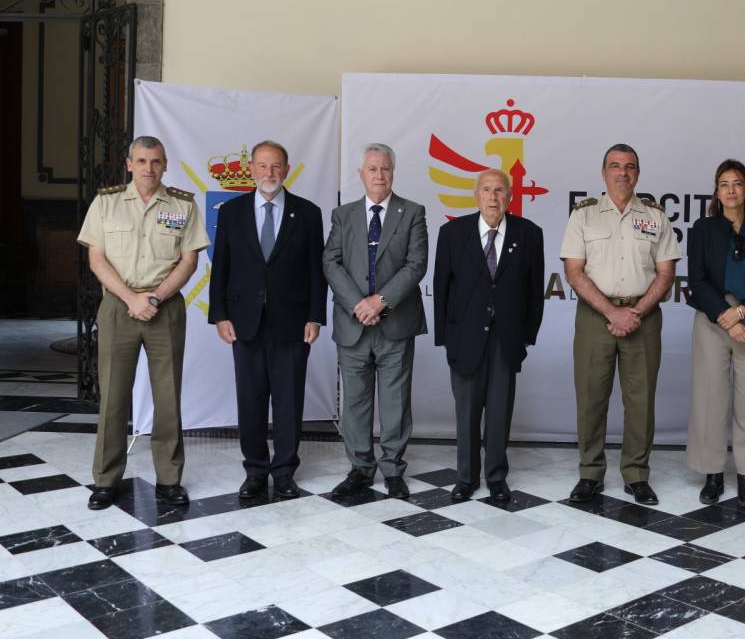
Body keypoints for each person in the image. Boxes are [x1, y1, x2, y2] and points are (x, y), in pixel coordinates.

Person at [77, 136, 207, 509]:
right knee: (114, 396)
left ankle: (169, 479)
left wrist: (154, 298)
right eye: (142, 160)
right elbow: (97, 260)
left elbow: (189, 261)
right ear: (128, 164)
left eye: (156, 161)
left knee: (167, 397)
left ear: (165, 165)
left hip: (164, 308)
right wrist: (132, 298)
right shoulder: (106, 202)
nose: (149, 168)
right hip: (119, 307)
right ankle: (105, 479)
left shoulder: (183, 205)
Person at [560, 143, 681, 505]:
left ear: (638, 174)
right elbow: (574, 272)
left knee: (640, 400)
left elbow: (666, 273)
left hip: (642, 317)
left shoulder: (656, 216)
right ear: (604, 172)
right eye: (615, 165)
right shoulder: (584, 215)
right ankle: (590, 473)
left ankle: (637, 474)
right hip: (596, 317)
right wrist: (612, 313)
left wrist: (636, 313)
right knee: (591, 397)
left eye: (630, 166)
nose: (623, 172)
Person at [209, 140, 326, 500]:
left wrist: (315, 316)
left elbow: (315, 271)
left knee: (289, 402)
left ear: (287, 170)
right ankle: (256, 471)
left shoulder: (308, 212)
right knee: (251, 399)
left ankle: (286, 472)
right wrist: (219, 315)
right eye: (262, 166)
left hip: (292, 323)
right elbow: (221, 268)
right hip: (244, 322)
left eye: (276, 166)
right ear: (252, 170)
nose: (269, 173)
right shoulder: (231, 211)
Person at [433, 169, 545, 502]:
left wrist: (528, 335)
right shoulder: (452, 233)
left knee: (499, 411)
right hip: (465, 338)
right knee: (466, 411)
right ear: (476, 195)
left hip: (506, 338)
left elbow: (534, 290)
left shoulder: (529, 234)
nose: (493, 197)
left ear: (510, 196)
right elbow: (442, 288)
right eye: (486, 190)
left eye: (499, 191)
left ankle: (496, 477)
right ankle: (466, 478)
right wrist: (445, 337)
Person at [324, 143, 427, 499]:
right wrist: (358, 304)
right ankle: (360, 468)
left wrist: (379, 302)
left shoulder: (412, 212)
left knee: (396, 399)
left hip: (395, 324)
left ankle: (394, 470)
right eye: (372, 169)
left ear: (393, 173)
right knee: (355, 400)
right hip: (353, 324)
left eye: (385, 169)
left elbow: (416, 264)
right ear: (361, 174)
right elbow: (331, 262)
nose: (379, 175)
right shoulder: (343, 215)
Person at [685, 160, 745, 508]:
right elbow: (697, 279)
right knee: (711, 398)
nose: (730, 190)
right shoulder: (703, 229)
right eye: (723, 184)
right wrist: (726, 316)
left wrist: (743, 313)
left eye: (737, 183)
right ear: (716, 191)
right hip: (713, 318)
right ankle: (712, 474)